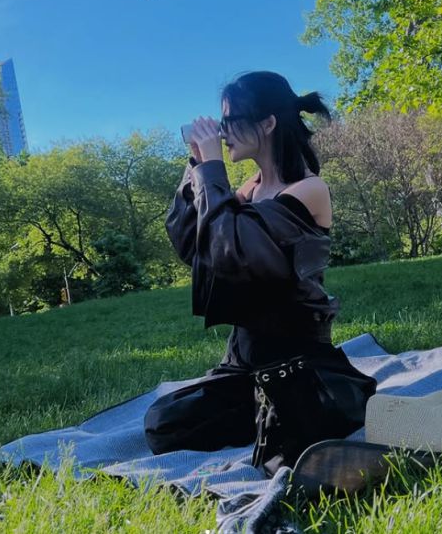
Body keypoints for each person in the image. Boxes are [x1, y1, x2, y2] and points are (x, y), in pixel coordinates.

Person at [144, 71, 376, 475]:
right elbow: (194, 243)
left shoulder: (309, 189)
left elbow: (233, 252)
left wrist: (213, 171)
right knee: (164, 423)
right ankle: (267, 413)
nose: (223, 132)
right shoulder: (249, 189)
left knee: (287, 448)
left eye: (230, 120)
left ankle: (309, 410)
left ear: (267, 123)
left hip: (295, 359)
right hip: (245, 363)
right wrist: (197, 167)